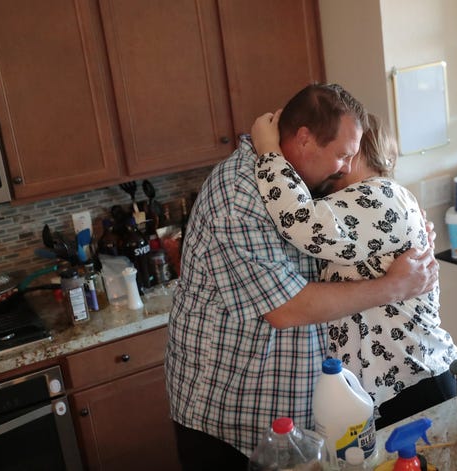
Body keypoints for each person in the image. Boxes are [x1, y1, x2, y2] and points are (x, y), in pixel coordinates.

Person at [164, 83, 439, 469]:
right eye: (342, 155)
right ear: (305, 139)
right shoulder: (239, 195)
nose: (345, 166)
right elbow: (286, 309)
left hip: (297, 420)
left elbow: (354, 229)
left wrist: (410, 233)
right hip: (231, 419)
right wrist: (394, 286)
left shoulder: (301, 188)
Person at [252, 111, 457, 429]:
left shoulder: (381, 196)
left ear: (358, 147)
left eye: (340, 148)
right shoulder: (354, 202)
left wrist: (268, 150)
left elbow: (298, 220)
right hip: (383, 392)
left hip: (415, 383)